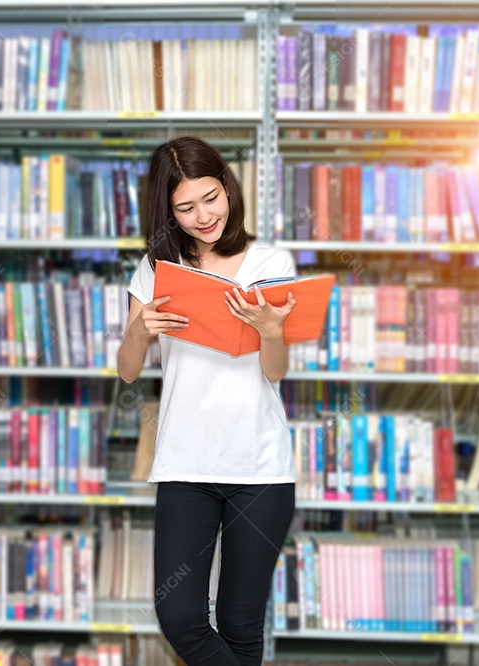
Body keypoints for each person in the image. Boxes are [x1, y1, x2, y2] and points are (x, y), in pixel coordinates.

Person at [117, 136, 298, 665]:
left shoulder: (269, 259)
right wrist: (139, 332)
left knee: (242, 623)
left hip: (260, 468)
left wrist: (271, 332)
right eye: (185, 207)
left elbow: (275, 373)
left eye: (211, 197)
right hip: (185, 464)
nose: (203, 216)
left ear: (228, 188)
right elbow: (128, 374)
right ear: (167, 210)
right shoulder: (155, 269)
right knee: (180, 618)